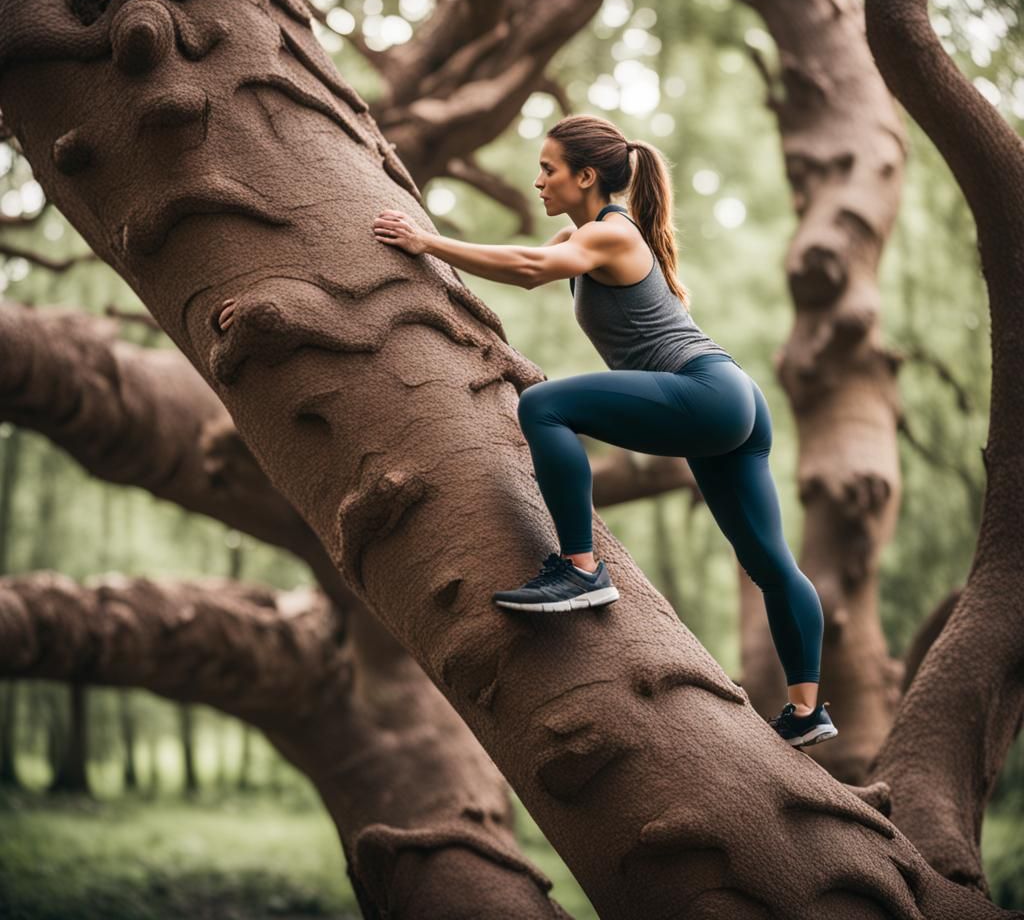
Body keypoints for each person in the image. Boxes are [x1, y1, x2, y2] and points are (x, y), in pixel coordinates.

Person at [217, 113, 837, 749]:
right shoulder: (600, 238)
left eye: (548, 169)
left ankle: (580, 570)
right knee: (771, 565)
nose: (537, 181)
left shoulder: (612, 233)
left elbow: (525, 267)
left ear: (586, 177)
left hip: (708, 395)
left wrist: (426, 243)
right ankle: (806, 710)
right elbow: (530, 263)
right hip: (733, 403)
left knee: (544, 406)